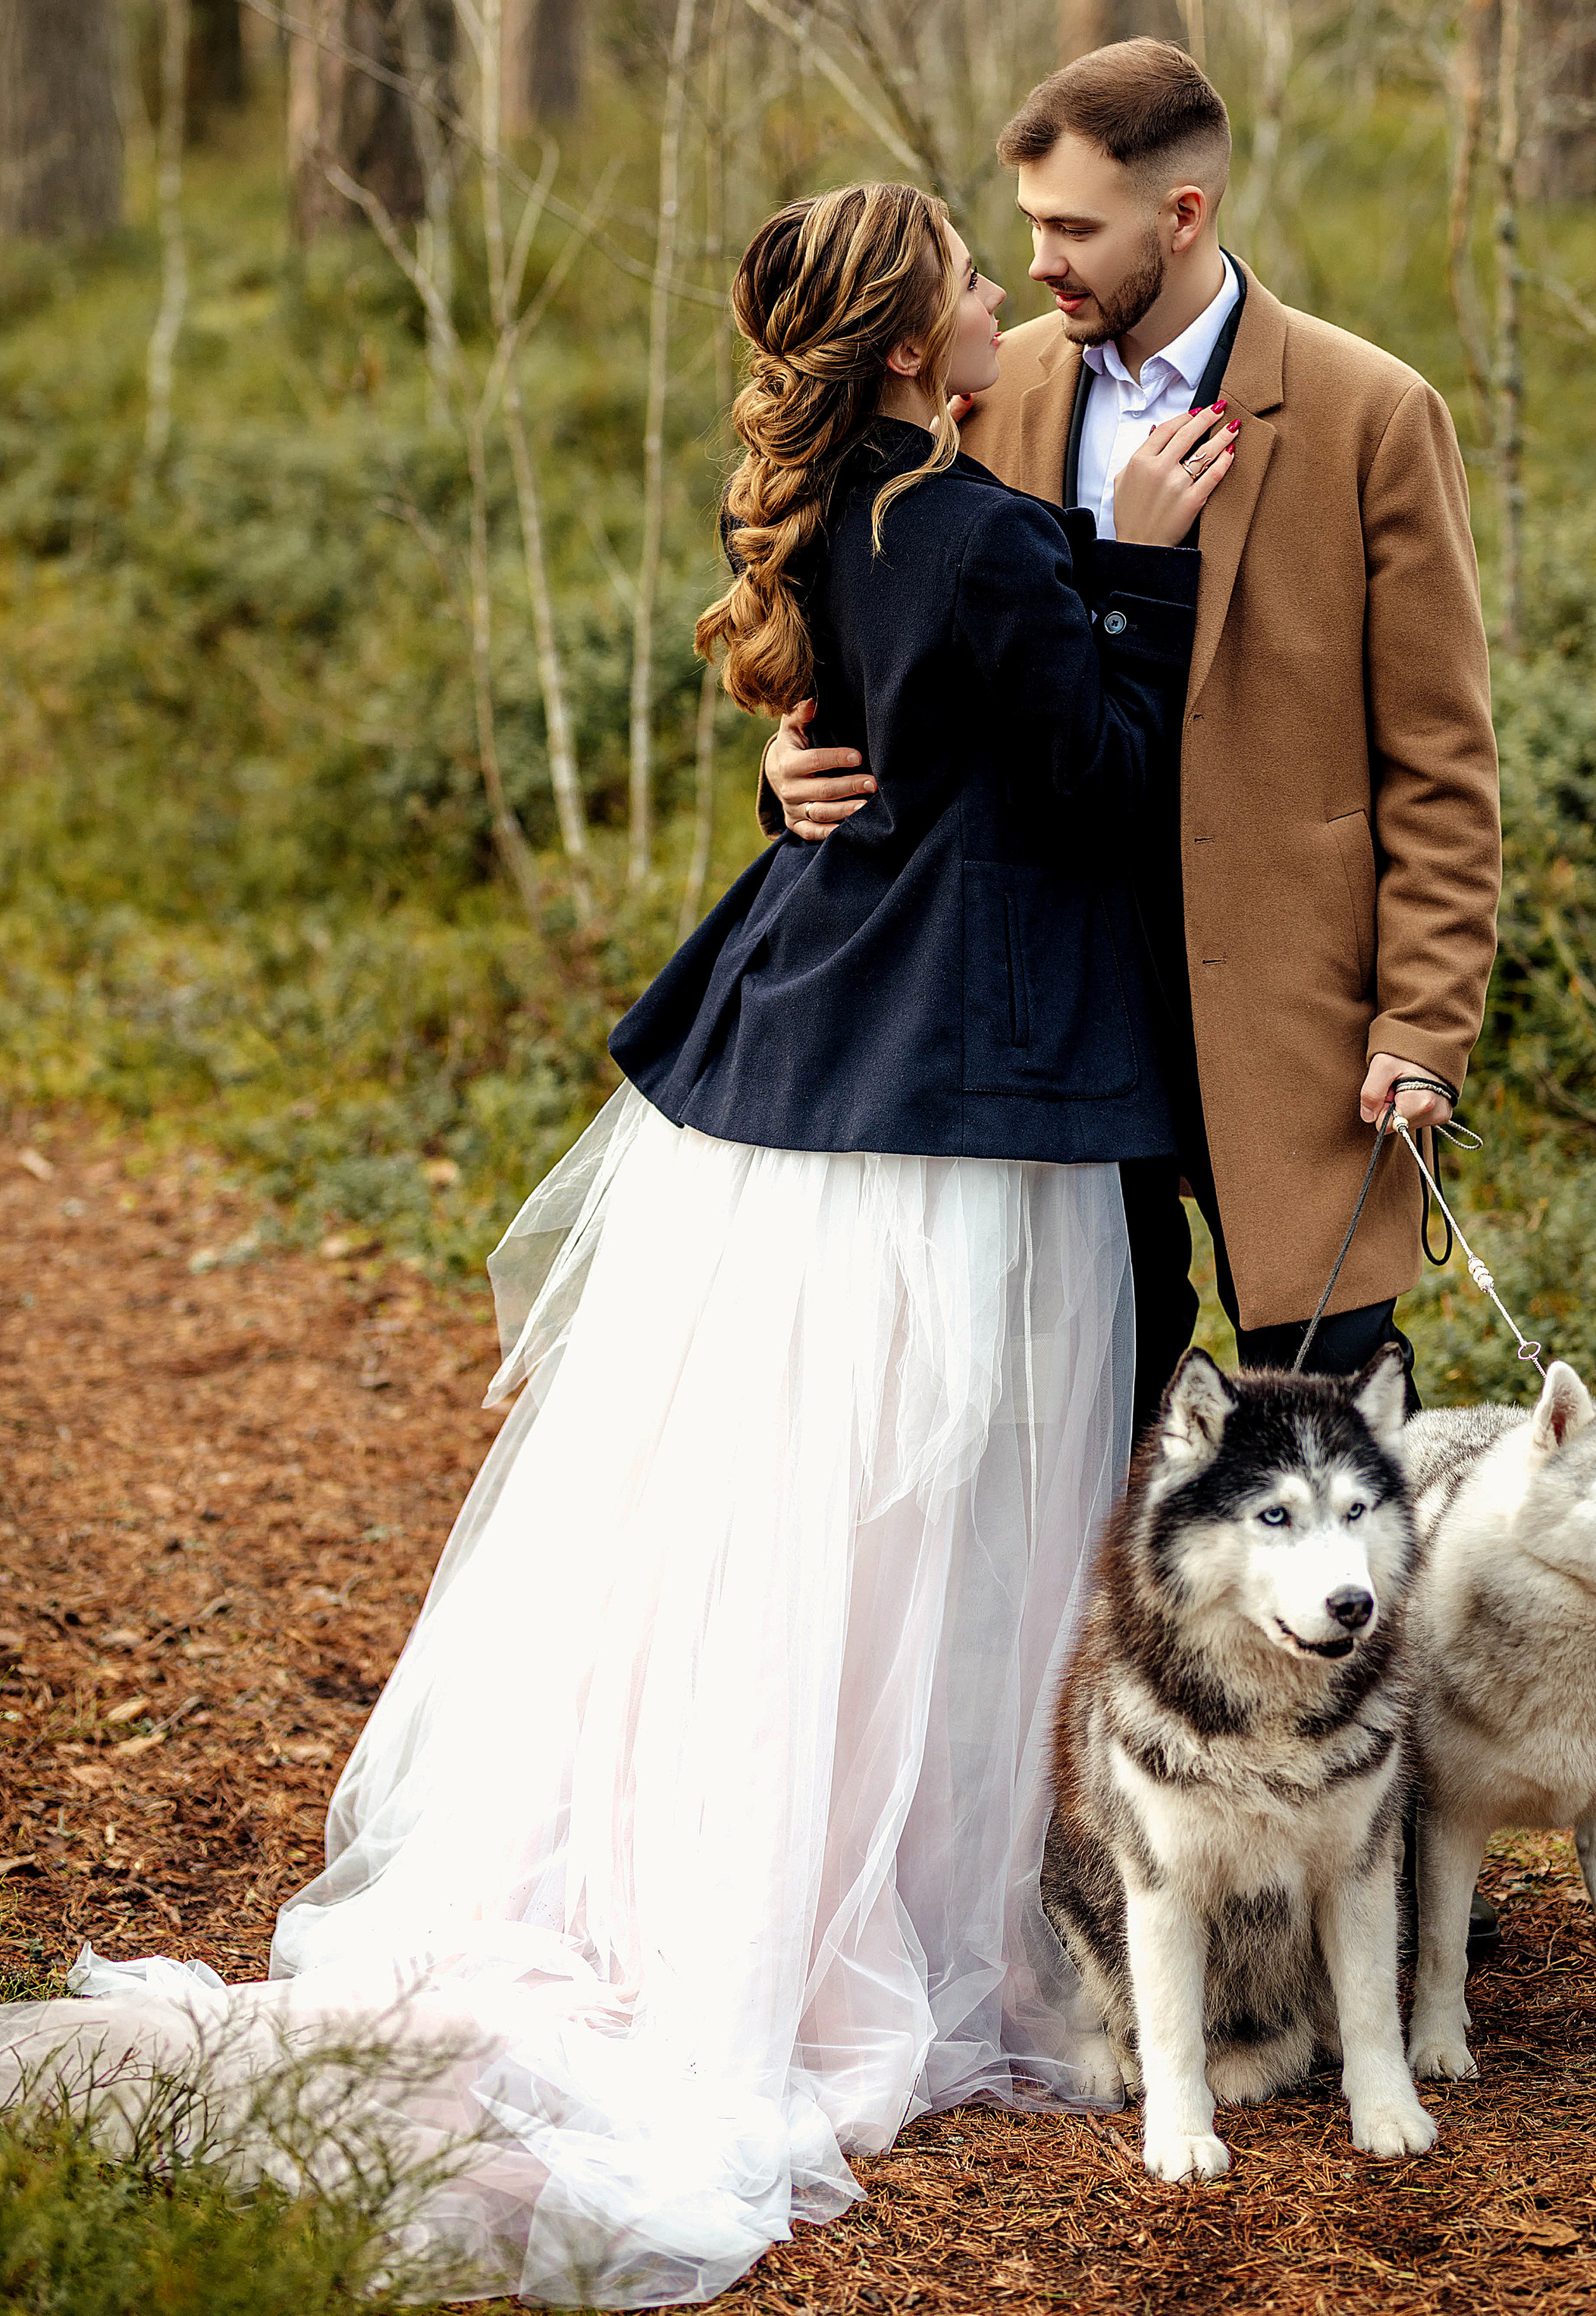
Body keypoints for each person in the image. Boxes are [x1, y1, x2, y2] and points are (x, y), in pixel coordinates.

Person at [2, 184, 1234, 2311]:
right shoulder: (1002, 531)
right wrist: (1141, 553)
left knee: (777, 1522)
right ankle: (881, 1936)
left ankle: (775, 1891)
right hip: (958, 1110)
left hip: (792, 1093)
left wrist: (820, 754)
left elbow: (881, 751)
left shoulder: (835, 525)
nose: (990, 295)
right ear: (914, 340)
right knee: (943, 1530)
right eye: (963, 271)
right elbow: (1102, 784)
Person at [764, 42, 1502, 1439]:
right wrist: (791, 762)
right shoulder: (990, 392)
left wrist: (1423, 1022)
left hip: (1295, 1004)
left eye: (1073, 229)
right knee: (1090, 1404)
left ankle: (1337, 1667)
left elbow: (1444, 762)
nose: (1037, 260)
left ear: (1183, 215)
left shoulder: (1372, 415)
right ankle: (1106, 1664)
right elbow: (903, 643)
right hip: (1053, 999)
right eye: (1031, 224)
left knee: (1327, 1407)